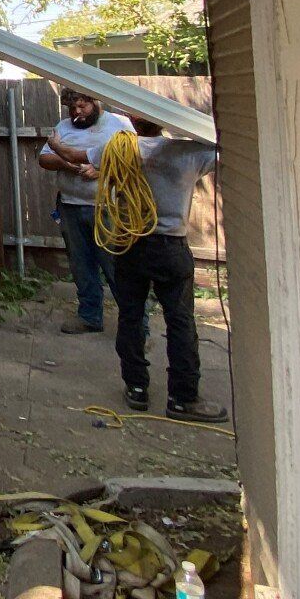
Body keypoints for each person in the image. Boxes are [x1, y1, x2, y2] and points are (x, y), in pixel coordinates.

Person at [95, 117, 229, 422]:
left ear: (133, 120)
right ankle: (182, 399)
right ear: (162, 121)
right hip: (170, 247)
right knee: (180, 322)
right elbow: (222, 148)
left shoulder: (117, 149)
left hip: (130, 244)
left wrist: (58, 145)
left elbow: (83, 157)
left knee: (130, 316)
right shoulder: (187, 151)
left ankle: (136, 389)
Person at [38, 87, 134, 334]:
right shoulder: (64, 127)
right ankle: (90, 316)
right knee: (81, 266)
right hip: (70, 207)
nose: (76, 113)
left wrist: (102, 171)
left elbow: (134, 161)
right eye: (72, 108)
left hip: (106, 209)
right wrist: (67, 164)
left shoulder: (117, 125)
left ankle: (135, 325)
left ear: (95, 102)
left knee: (116, 267)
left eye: (82, 106)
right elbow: (44, 158)